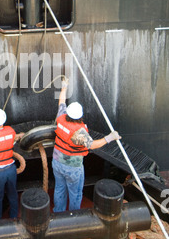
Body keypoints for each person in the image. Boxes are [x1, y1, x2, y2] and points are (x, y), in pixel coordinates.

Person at [52, 79, 121, 212]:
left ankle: (58, 214)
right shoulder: (79, 132)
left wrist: (64, 88)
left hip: (57, 162)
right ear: (80, 116)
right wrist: (110, 138)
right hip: (72, 167)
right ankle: (74, 216)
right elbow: (92, 145)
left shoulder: (61, 118)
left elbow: (61, 102)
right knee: (75, 194)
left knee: (59, 189)